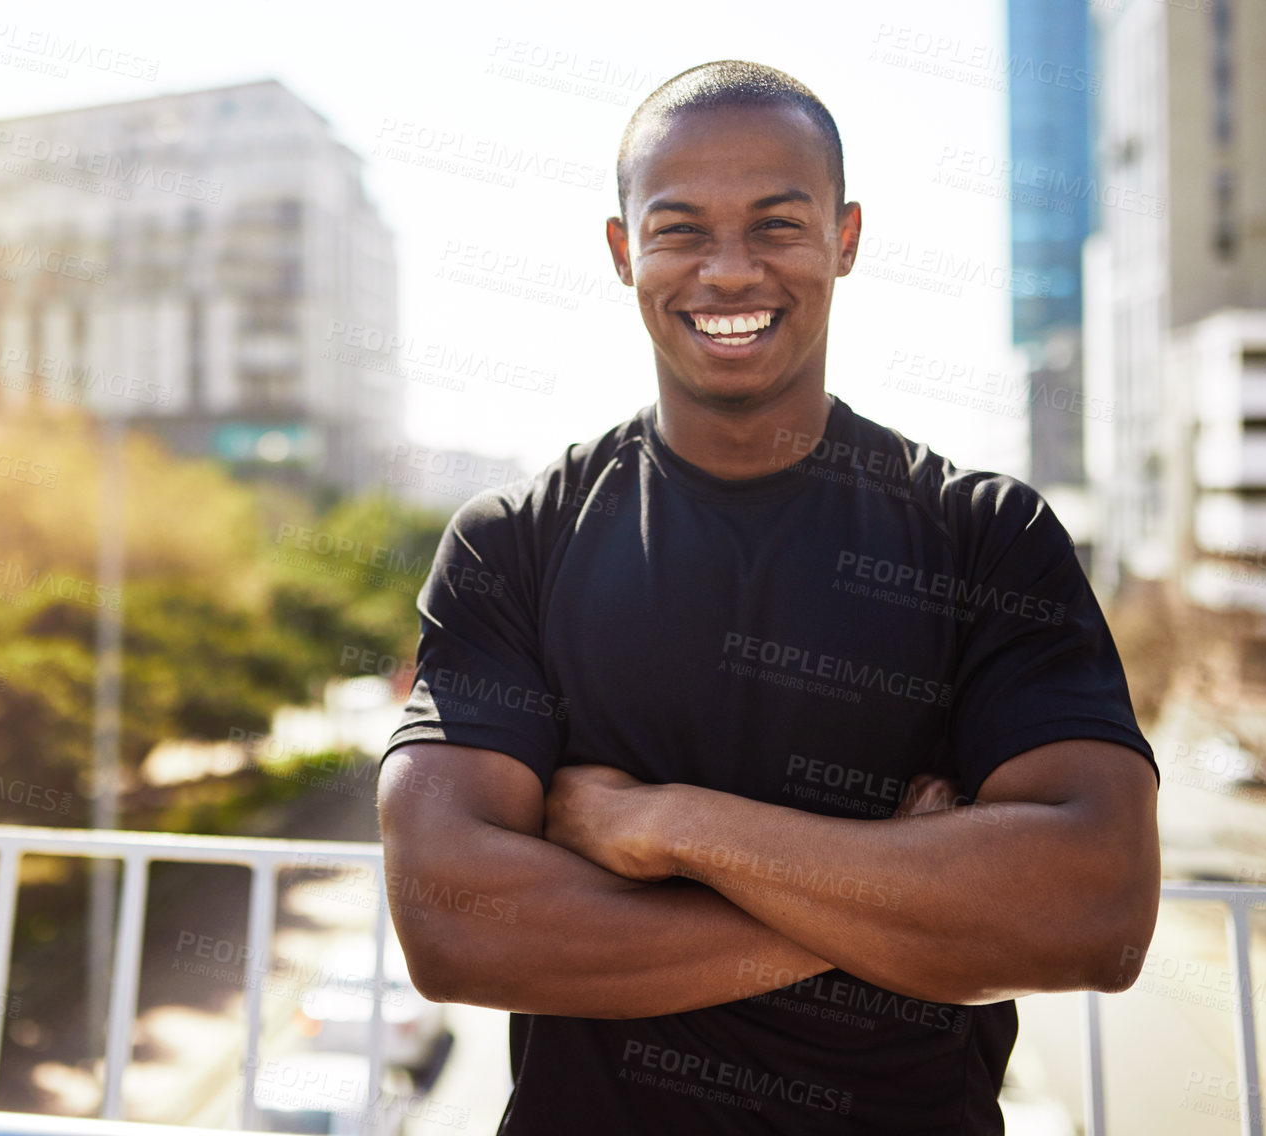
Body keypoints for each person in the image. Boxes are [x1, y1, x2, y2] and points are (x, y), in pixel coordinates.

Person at [376, 60, 1160, 1133]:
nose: (729, 271)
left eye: (777, 225)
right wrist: (904, 901)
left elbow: (1096, 911)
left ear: (844, 238)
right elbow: (451, 927)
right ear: (623, 252)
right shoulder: (512, 544)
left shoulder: (985, 535)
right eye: (681, 228)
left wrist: (660, 823)